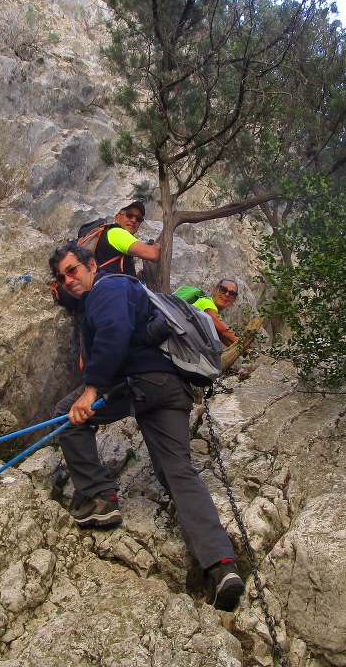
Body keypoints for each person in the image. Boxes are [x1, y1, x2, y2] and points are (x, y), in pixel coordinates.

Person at [47, 241, 245, 612]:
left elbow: (114, 333)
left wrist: (90, 391)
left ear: (91, 265)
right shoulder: (128, 288)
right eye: (61, 277)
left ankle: (99, 498)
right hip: (171, 388)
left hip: (138, 382)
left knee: (67, 415)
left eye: (72, 270)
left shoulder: (105, 287)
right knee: (178, 471)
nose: (69, 280)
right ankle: (221, 567)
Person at [91, 200, 160, 276]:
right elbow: (153, 254)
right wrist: (157, 246)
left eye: (139, 218)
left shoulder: (108, 234)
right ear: (117, 218)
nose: (134, 220)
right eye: (129, 215)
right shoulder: (117, 233)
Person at [192, 279, 239, 346]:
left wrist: (245, 352)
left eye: (232, 293)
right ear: (214, 290)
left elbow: (225, 338)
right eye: (223, 289)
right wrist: (248, 350)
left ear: (234, 300)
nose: (227, 294)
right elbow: (224, 331)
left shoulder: (214, 314)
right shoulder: (206, 302)